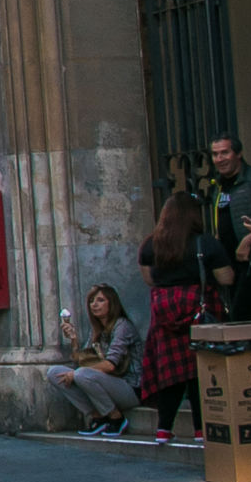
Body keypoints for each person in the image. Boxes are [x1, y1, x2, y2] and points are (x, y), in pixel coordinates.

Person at [137, 191, 234, 445]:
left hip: (164, 314)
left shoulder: (150, 244)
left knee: (170, 372)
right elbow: (226, 278)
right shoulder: (205, 243)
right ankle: (201, 429)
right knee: (200, 370)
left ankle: (163, 429)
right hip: (199, 309)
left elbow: (149, 280)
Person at [47, 285, 141, 437]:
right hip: (104, 384)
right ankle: (98, 416)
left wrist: (77, 374)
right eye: (91, 301)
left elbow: (110, 365)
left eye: (100, 300)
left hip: (128, 388)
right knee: (54, 373)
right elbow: (84, 363)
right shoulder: (97, 329)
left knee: (81, 374)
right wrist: (74, 340)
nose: (94, 305)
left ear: (112, 303)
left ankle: (116, 418)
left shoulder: (122, 326)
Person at [208, 134, 251, 321]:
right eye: (215, 154)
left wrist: (249, 240)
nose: (219, 159)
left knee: (245, 312)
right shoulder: (218, 186)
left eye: (225, 152)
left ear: (238, 154)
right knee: (234, 313)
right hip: (230, 261)